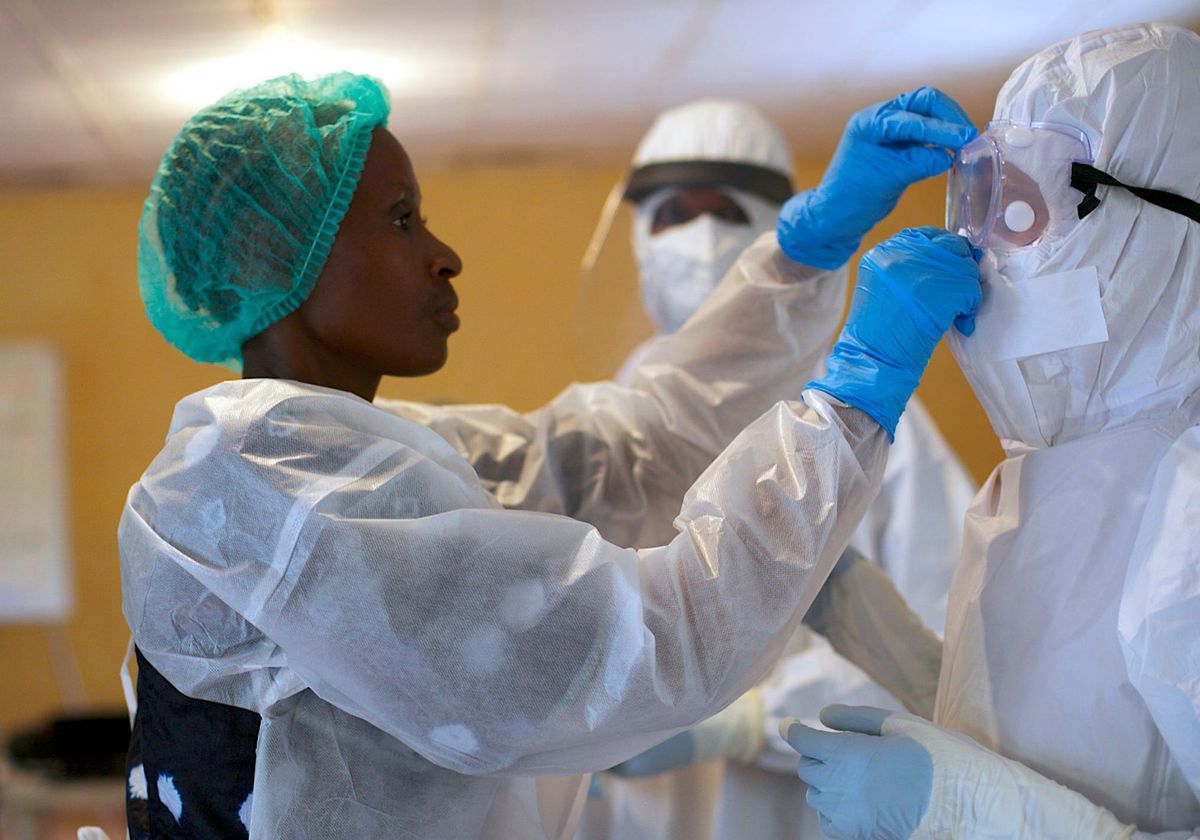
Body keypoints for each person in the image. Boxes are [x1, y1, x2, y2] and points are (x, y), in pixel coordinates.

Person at [120, 72, 980, 839]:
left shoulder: (356, 453)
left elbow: (636, 448)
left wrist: (803, 255)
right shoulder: (266, 491)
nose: (445, 256)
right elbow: (649, 644)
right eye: (402, 220)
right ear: (279, 259)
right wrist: (854, 400)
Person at [780, 21, 1200, 838]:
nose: (982, 253)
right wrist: (870, 625)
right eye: (977, 202)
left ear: (1159, 223)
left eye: (1023, 212)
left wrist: (967, 808)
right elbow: (1056, 738)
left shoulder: (1184, 489)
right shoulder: (1040, 475)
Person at [579, 98, 977, 839]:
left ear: (774, 223)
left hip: (805, 802)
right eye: (674, 215)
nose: (701, 239)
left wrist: (752, 720)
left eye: (727, 210)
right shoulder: (627, 406)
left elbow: (943, 656)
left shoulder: (861, 408)